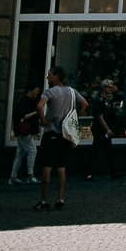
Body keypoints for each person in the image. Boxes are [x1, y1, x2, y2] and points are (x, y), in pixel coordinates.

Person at [34, 67, 87, 212]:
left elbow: (39, 106)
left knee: (47, 166)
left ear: (56, 77)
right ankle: (60, 199)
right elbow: (85, 104)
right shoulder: (71, 91)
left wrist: (43, 120)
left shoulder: (49, 92)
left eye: (49, 75)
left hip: (52, 132)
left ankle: (44, 200)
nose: (47, 78)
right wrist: (75, 117)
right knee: (61, 167)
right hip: (65, 134)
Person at [86, 79, 124, 181]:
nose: (111, 89)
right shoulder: (100, 101)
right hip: (100, 129)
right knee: (96, 150)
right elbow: (100, 117)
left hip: (104, 129)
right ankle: (87, 173)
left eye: (112, 87)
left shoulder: (107, 100)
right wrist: (108, 130)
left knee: (108, 151)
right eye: (109, 87)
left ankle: (113, 172)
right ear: (103, 88)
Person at [10, 89, 41, 184]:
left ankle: (13, 177)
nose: (37, 93)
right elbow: (24, 116)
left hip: (22, 131)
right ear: (30, 91)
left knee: (20, 152)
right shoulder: (26, 102)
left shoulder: (23, 101)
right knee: (32, 150)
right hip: (25, 131)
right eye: (35, 90)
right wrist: (36, 112)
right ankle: (30, 175)